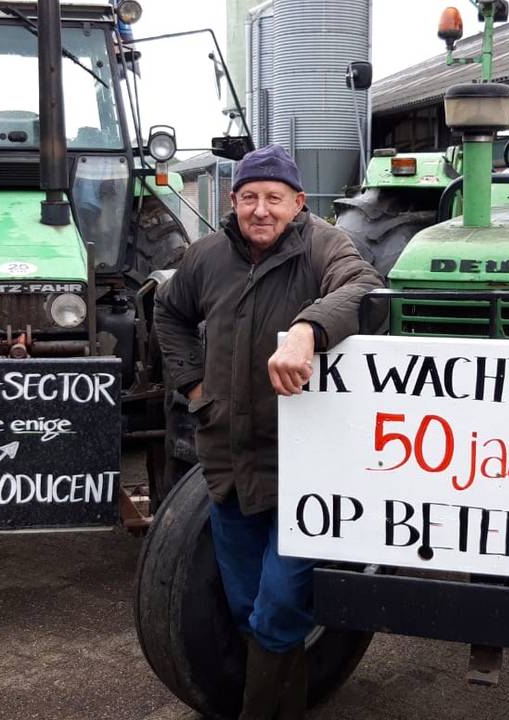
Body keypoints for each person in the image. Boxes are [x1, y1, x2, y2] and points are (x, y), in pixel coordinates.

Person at [154, 144, 383, 717]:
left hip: (301, 468)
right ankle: (293, 702)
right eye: (249, 197)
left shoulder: (325, 245)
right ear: (232, 202)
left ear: (298, 202)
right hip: (230, 463)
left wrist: (308, 329)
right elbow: (170, 312)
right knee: (245, 607)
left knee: (277, 607)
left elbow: (362, 289)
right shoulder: (207, 256)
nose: (261, 209)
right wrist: (195, 390)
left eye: (274, 198)